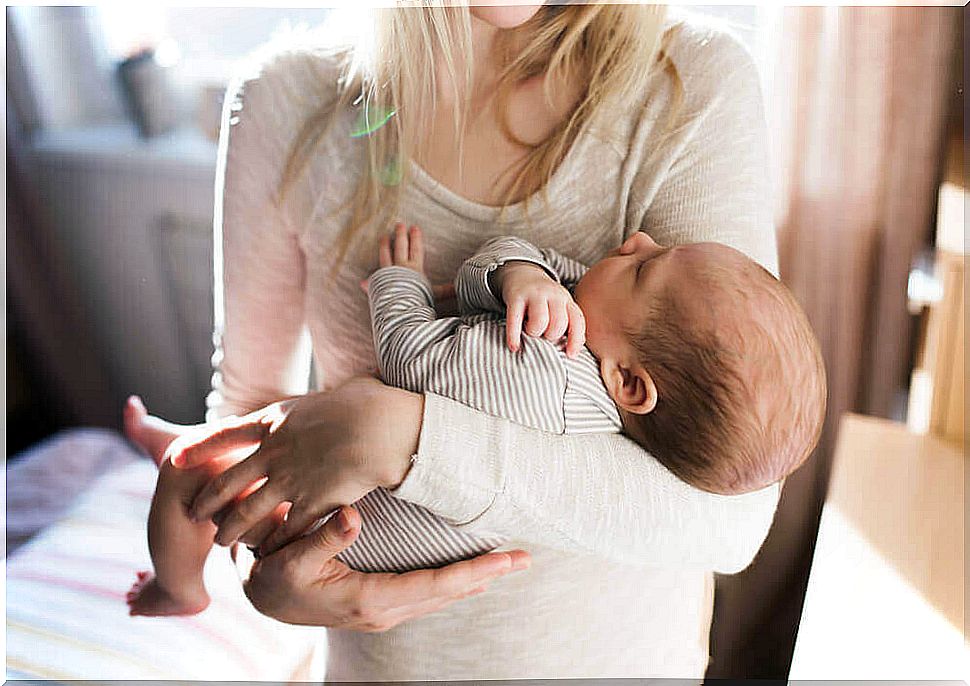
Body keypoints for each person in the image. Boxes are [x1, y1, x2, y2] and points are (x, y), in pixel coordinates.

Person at [127, 3, 788, 679]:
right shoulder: (286, 99)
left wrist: (403, 438)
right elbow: (244, 413)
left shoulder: (687, 84)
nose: (636, 248)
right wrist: (268, 574)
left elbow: (734, 519)